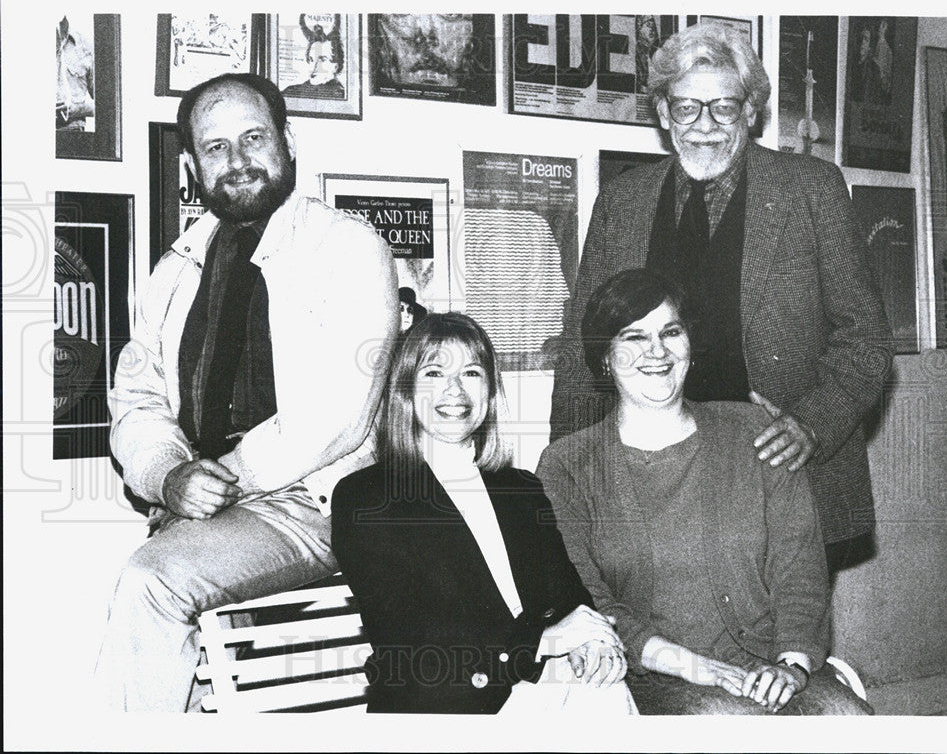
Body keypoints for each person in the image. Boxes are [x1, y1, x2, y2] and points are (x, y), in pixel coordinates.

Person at [96, 73, 398, 711]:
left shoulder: (349, 248)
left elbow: (337, 414)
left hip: (317, 503)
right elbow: (136, 398)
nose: (237, 162)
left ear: (287, 141)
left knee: (151, 584)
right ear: (192, 166)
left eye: (253, 138)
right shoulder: (172, 271)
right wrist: (169, 476)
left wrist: (220, 479)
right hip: (213, 505)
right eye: (215, 148)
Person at [549, 22, 893, 573]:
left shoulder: (813, 189)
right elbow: (580, 351)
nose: (704, 127)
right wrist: (566, 481)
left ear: (751, 111)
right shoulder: (620, 204)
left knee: (781, 647)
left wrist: (811, 424)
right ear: (663, 112)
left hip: (778, 473)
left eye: (724, 108)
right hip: (649, 477)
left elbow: (866, 340)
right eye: (687, 108)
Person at [538, 269, 873, 715]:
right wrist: (698, 669)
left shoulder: (755, 432)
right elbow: (589, 598)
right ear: (604, 356)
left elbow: (799, 564)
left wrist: (792, 664)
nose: (656, 351)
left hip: (767, 663)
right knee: (731, 724)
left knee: (846, 718)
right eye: (634, 337)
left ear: (689, 345)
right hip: (656, 674)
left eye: (670, 332)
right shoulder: (567, 466)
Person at [330, 312, 633, 714]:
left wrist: (591, 640)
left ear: (490, 392)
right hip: (442, 706)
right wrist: (542, 641)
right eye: (434, 373)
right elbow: (409, 639)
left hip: (533, 690)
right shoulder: (367, 496)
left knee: (602, 689)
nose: (454, 391)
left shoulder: (520, 488)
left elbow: (565, 595)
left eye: (471, 373)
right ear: (406, 390)